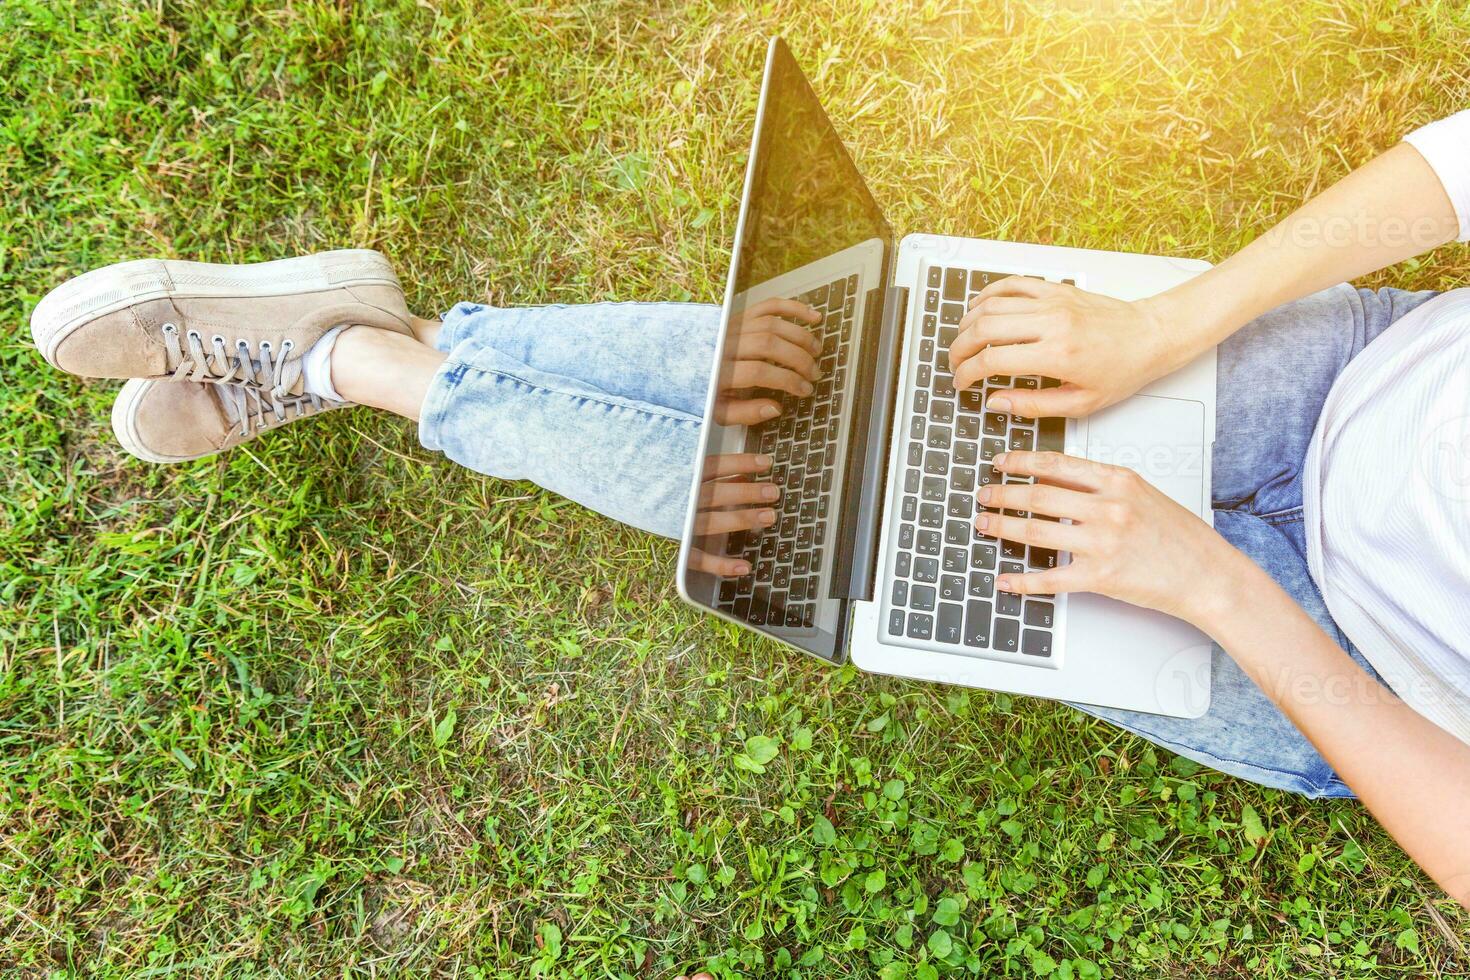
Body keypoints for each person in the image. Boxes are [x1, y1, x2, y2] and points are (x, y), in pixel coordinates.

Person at [28, 111, 1470, 909]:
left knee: (851, 534)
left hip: (1354, 670)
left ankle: (358, 357)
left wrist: (1217, 589)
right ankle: (367, 359)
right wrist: (1173, 326)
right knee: (894, 373)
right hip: (1364, 370)